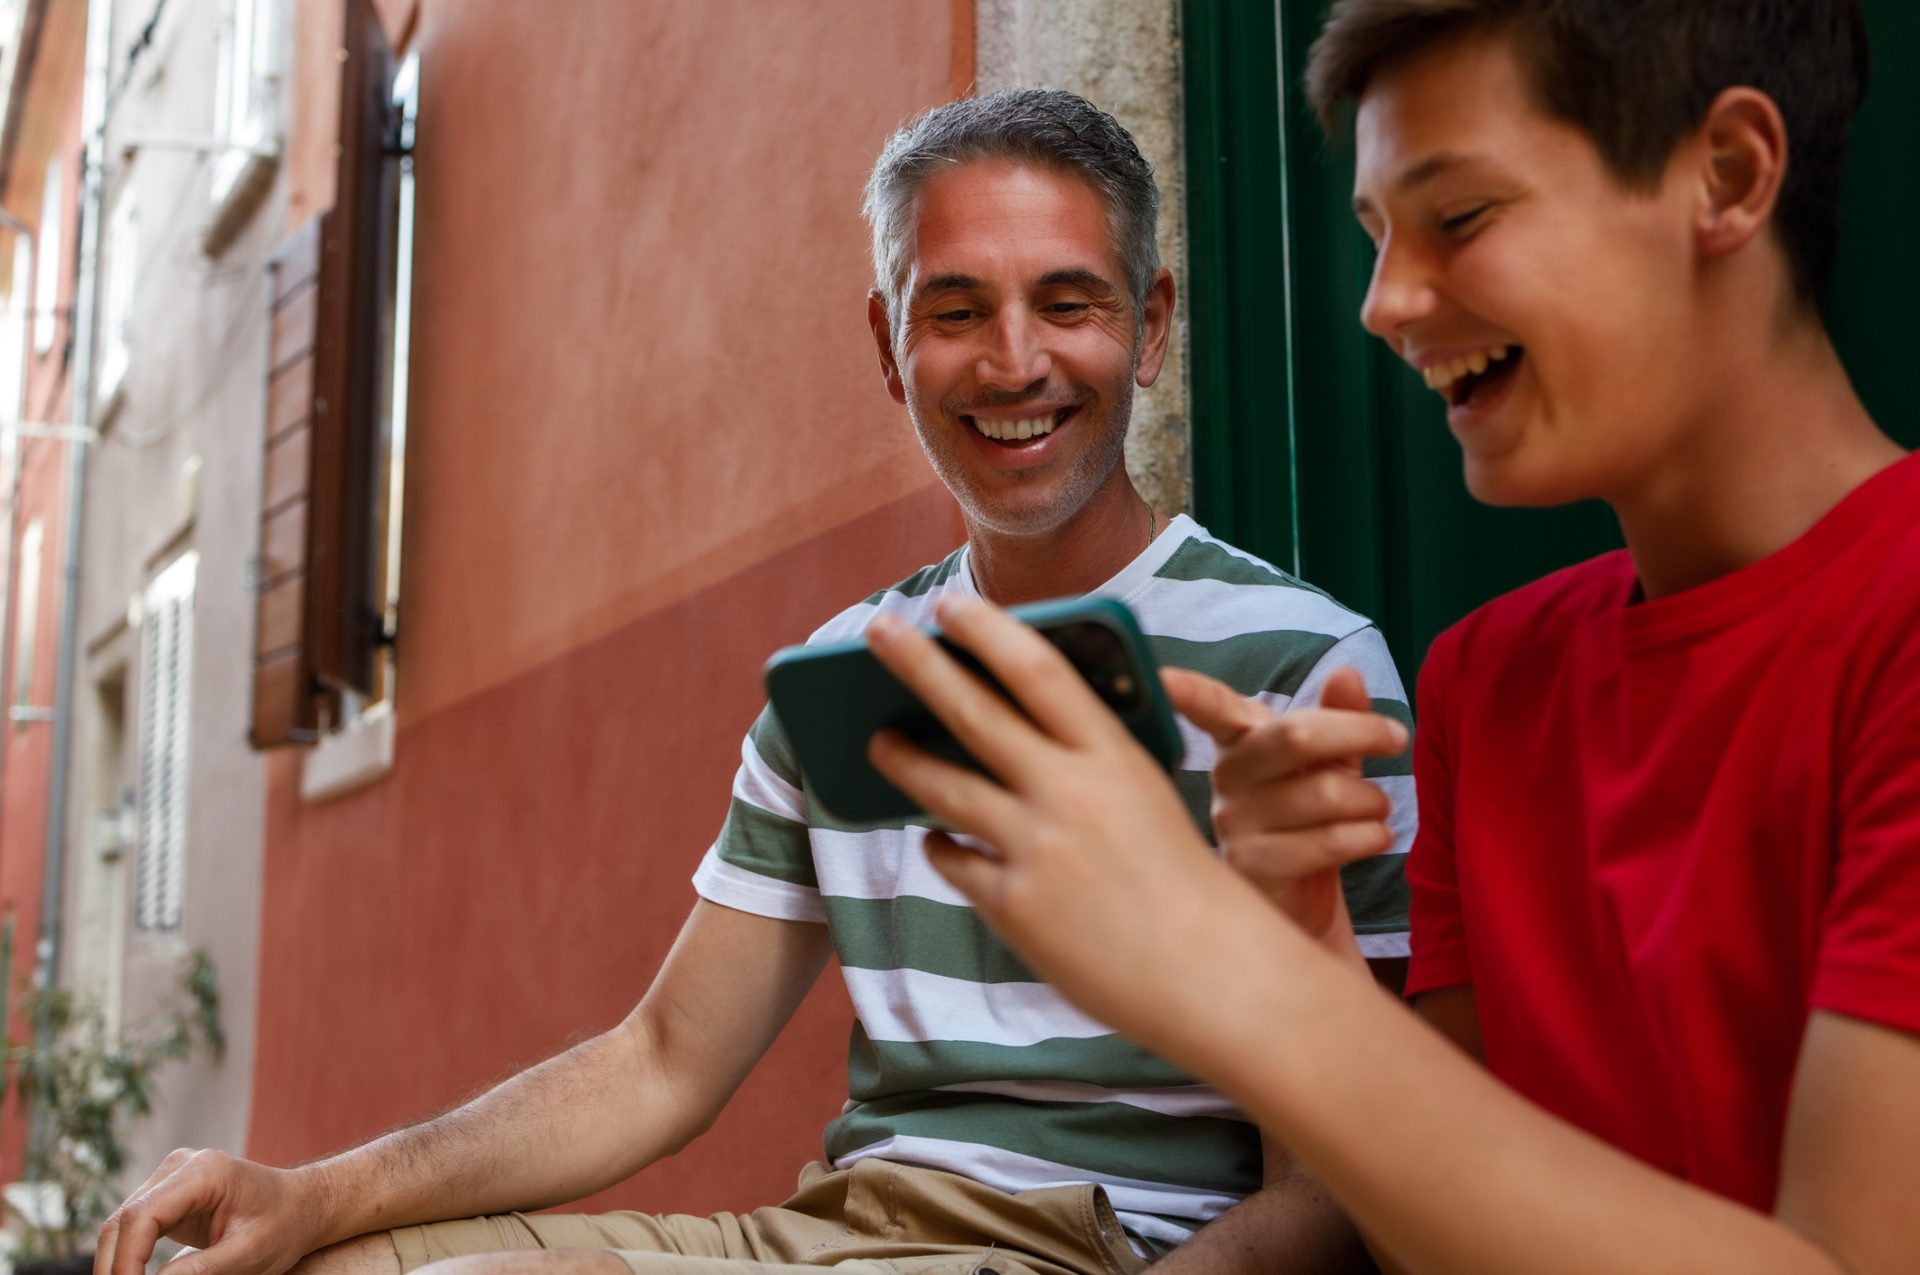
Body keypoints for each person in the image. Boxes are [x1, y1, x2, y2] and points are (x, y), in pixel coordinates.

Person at [97, 90, 1414, 1275]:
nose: (1013, 361)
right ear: (890, 346)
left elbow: (1348, 1176)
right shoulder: (847, 674)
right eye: (955, 311)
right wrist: (320, 1193)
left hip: (1094, 1245)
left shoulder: (1304, 666)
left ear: (1153, 323)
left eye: (1067, 302)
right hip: (844, 1223)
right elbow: (665, 1057)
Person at [861, 3, 1920, 1273]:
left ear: (1728, 174)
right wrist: (1296, 928)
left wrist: (1220, 966)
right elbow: (1441, 1239)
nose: (1385, 303)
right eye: (1375, 239)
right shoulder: (1486, 679)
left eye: (1460, 218)